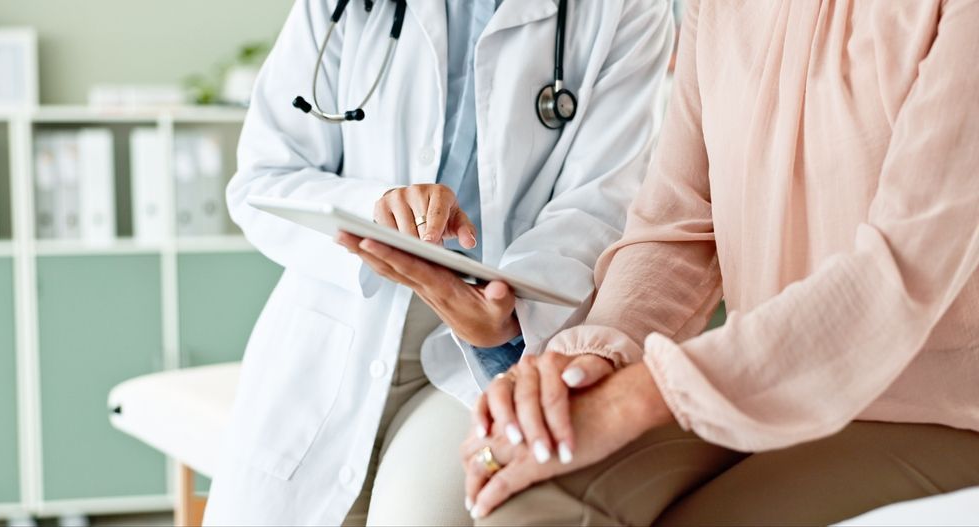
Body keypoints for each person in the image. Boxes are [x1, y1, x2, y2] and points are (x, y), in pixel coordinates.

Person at [460, 0, 979, 524]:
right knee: (527, 504)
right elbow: (678, 223)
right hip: (751, 382)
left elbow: (896, 280)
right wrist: (589, 360)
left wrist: (639, 396)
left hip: (931, 413)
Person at [203, 0, 675, 525]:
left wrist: (507, 315)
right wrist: (377, 210)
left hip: (492, 350)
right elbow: (263, 179)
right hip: (339, 327)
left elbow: (600, 203)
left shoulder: (625, 9)